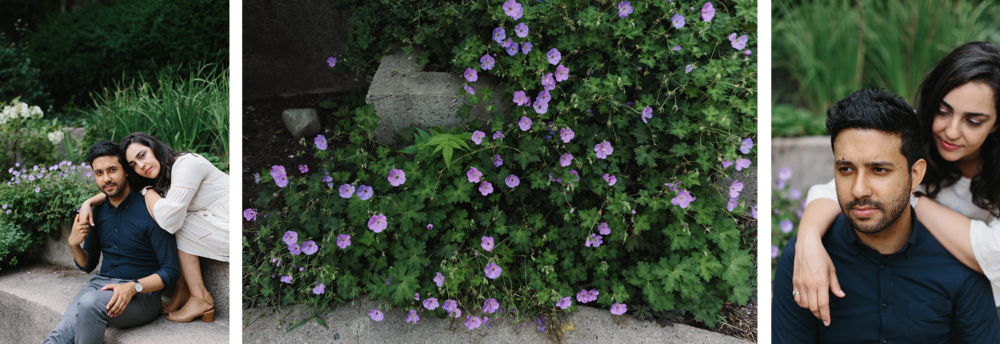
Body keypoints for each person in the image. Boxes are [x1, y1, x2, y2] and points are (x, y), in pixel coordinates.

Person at [790, 41, 1000, 327]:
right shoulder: (913, 135)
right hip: (919, 303)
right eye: (943, 111)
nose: (951, 131)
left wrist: (911, 196)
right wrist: (807, 242)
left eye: (973, 121)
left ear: (997, 123)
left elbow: (994, 254)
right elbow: (837, 190)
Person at [77, 132, 231, 323]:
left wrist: (147, 190)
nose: (140, 165)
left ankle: (199, 296)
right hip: (214, 222)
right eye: (133, 164)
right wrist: (88, 203)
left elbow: (169, 219)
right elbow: (117, 190)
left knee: (173, 221)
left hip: (230, 222)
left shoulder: (187, 165)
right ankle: (182, 289)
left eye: (142, 155)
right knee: (172, 218)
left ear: (155, 147)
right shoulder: (160, 172)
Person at [43, 141, 180, 344]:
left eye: (112, 170)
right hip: (99, 287)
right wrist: (73, 245)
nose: (106, 178)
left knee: (90, 303)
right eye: (99, 173)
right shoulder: (96, 212)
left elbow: (171, 270)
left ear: (125, 170)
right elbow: (87, 264)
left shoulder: (151, 208)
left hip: (141, 296)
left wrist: (133, 287)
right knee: (57, 338)